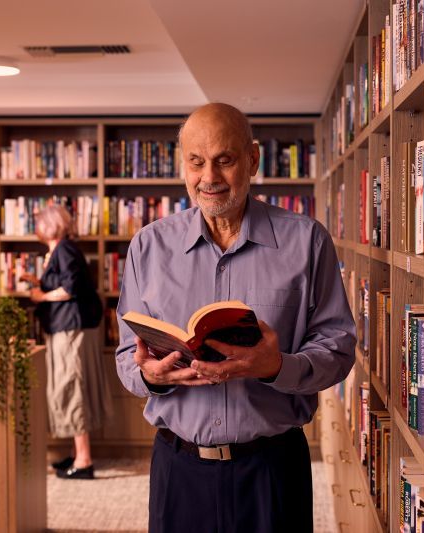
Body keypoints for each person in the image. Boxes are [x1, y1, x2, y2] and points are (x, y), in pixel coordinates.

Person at [115, 103, 356, 532]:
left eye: (224, 160)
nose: (209, 177)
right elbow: (124, 360)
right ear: (182, 165)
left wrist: (278, 366)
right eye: (196, 162)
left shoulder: (307, 242)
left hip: (272, 470)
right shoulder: (148, 247)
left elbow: (338, 349)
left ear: (253, 159)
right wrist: (152, 376)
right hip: (178, 469)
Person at [21, 204, 105, 480]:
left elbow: (71, 288)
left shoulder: (65, 249)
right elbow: (64, 282)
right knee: (68, 387)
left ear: (49, 224)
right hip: (66, 328)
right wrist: (37, 281)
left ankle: (84, 461)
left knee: (72, 388)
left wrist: (41, 297)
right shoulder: (59, 250)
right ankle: (76, 452)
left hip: (72, 329)